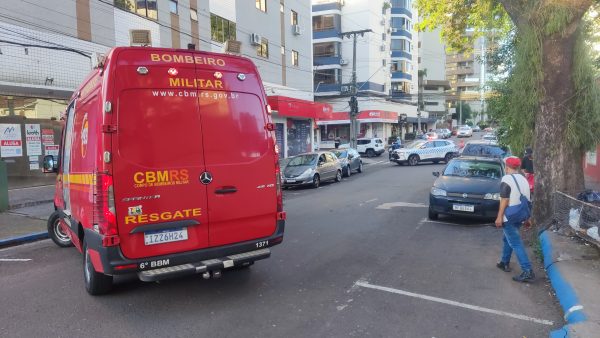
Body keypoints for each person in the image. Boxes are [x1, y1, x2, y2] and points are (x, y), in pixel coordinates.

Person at [495, 156, 535, 282]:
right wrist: (528, 218)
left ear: (507, 167)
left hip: (510, 216)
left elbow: (504, 200)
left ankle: (527, 270)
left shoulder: (506, 179)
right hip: (520, 215)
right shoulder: (523, 179)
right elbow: (527, 201)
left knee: (515, 242)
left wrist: (499, 217)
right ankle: (504, 262)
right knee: (508, 238)